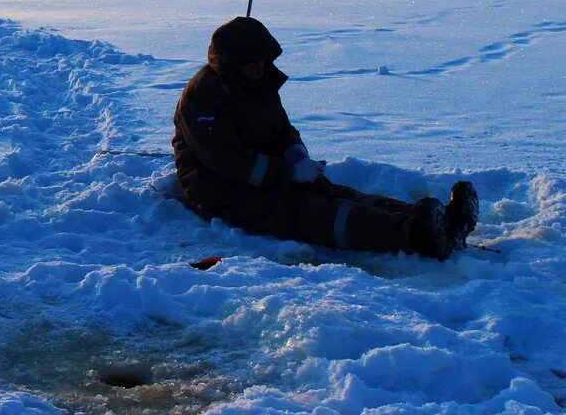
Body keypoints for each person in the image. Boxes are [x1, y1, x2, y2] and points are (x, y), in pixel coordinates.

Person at [172, 16, 478, 260]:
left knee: (335, 193)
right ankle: (416, 235)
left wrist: (296, 153)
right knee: (315, 214)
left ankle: (435, 221)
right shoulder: (204, 98)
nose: (260, 67)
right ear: (231, 63)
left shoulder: (255, 84)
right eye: (252, 62)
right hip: (221, 190)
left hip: (267, 175)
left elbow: (281, 128)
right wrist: (289, 172)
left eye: (263, 60)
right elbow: (229, 161)